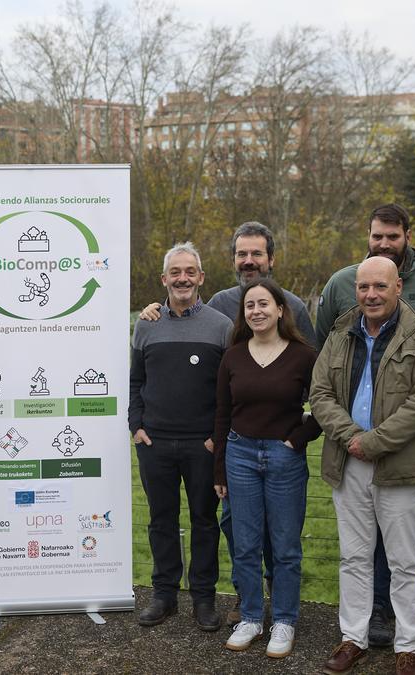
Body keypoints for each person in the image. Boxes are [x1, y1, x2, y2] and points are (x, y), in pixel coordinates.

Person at [140, 221, 315, 623]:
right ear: (233, 259)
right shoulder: (219, 304)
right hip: (234, 444)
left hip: (278, 444)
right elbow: (183, 316)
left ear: (271, 258)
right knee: (239, 528)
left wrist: (297, 434)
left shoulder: (295, 307)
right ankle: (246, 601)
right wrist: (154, 309)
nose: (249, 261)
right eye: (242, 254)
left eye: (256, 254)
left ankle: (281, 608)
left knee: (281, 535)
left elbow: (313, 381)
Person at [313, 203, 415, 646]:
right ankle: (352, 639)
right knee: (353, 558)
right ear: (356, 289)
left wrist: (374, 441)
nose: (371, 294)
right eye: (364, 286)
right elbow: (320, 394)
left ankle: (408, 645)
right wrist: (353, 437)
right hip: (348, 460)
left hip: (400, 463)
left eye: (380, 286)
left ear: (398, 287)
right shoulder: (341, 331)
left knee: (405, 561)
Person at [213, 279, 321, 657]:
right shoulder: (233, 356)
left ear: (280, 310)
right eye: (249, 306)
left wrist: (296, 439)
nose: (256, 311)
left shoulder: (303, 356)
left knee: (285, 546)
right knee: (244, 545)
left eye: (264, 304)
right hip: (239, 456)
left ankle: (285, 621)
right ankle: (252, 617)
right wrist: (219, 472)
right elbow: (223, 414)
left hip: (284, 458)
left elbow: (324, 407)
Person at [129, 243, 231, 632]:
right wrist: (136, 425)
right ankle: (165, 594)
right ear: (164, 279)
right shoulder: (147, 324)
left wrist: (215, 437)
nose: (183, 278)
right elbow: (136, 379)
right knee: (161, 521)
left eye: (190, 271)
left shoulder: (221, 326)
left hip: (202, 445)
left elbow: (228, 390)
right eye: (176, 272)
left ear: (201, 277)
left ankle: (204, 598)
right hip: (155, 444)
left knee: (205, 521)